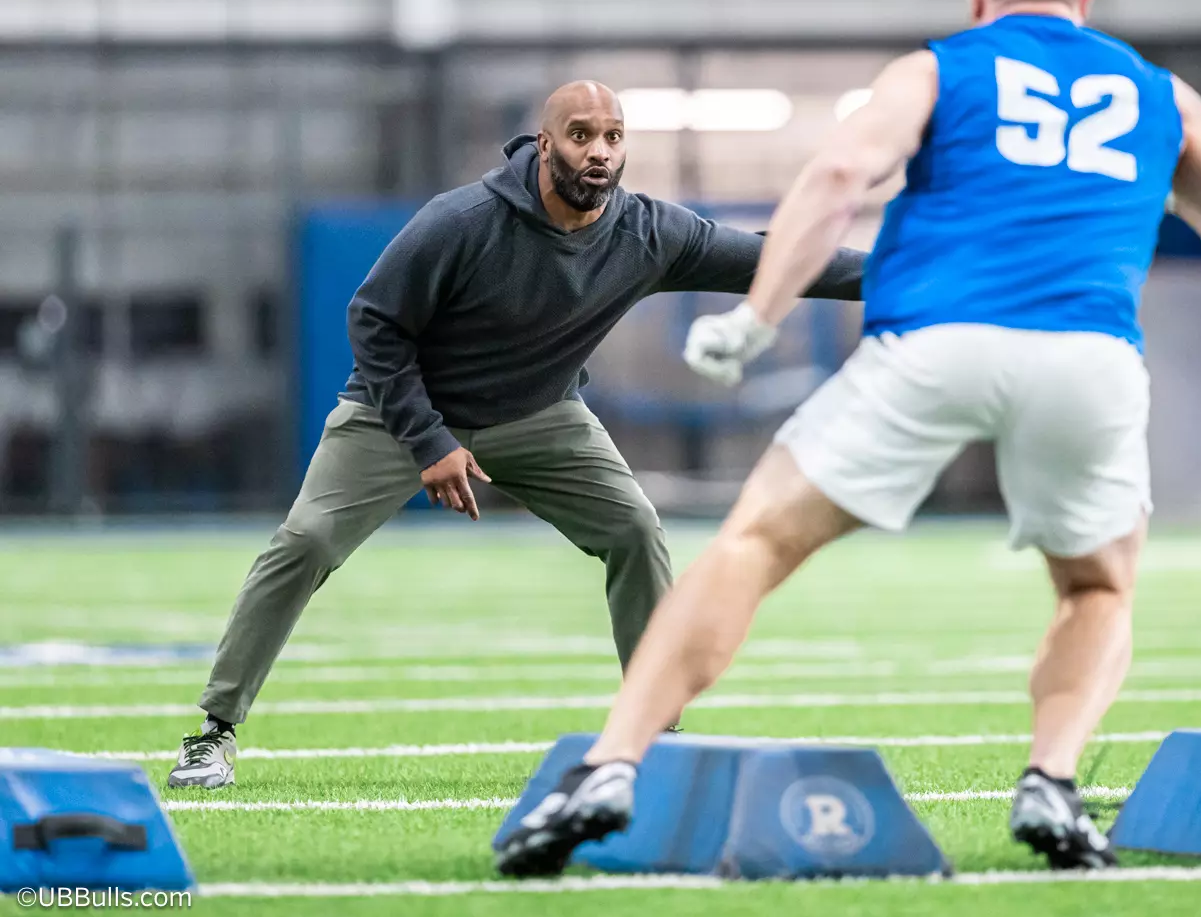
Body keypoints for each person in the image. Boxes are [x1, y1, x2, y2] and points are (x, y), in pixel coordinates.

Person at [495, 0, 1201, 877]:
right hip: (1088, 359)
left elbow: (841, 173)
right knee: (1096, 583)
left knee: (753, 541)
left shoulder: (939, 67)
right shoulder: (1157, 94)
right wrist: (1163, 175)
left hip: (937, 342)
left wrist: (757, 316)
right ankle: (1049, 779)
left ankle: (614, 761)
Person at [166, 81, 867, 790]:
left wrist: (911, 275)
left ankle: (657, 735)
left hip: (538, 416)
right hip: (399, 415)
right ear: (545, 144)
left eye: (613, 137)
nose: (599, 151)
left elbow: (769, 257)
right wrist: (430, 440)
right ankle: (214, 731)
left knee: (633, 528)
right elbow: (373, 321)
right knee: (306, 540)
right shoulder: (463, 220)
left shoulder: (649, 232)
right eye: (581, 135)